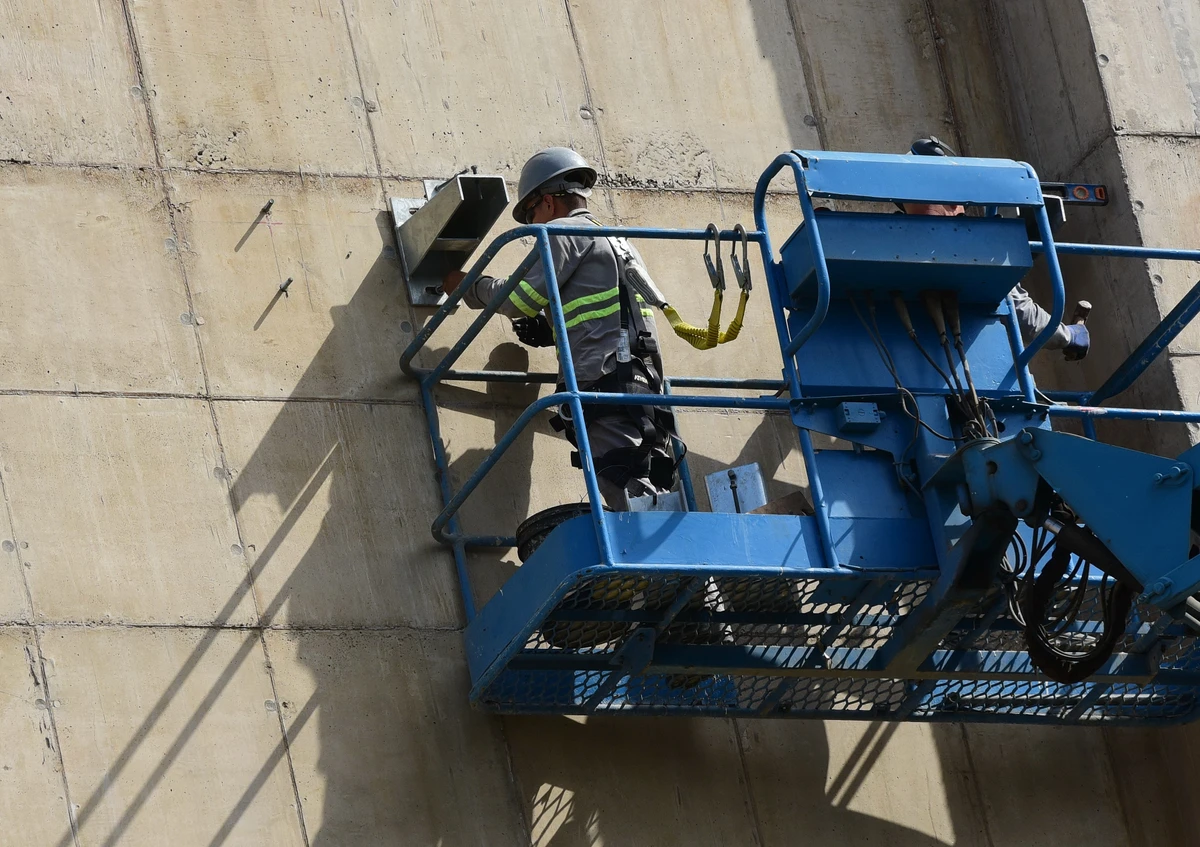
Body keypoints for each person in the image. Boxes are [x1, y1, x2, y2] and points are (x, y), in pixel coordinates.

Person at [442, 147, 678, 510]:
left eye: (533, 212)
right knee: (647, 478)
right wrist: (551, 329)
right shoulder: (616, 238)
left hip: (604, 383)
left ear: (548, 202)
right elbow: (608, 313)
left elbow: (517, 299)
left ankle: (669, 564)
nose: (536, 223)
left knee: (627, 487)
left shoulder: (562, 231)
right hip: (640, 383)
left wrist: (469, 285)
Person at [906, 137, 1090, 361]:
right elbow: (1021, 312)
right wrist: (1069, 336)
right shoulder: (975, 249)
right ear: (954, 202)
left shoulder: (889, 240)